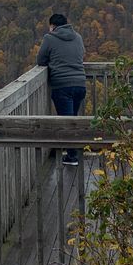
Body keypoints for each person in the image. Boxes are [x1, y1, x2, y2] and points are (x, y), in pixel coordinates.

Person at [36, 13, 86, 166]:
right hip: (80, 84)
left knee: (67, 122)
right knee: (73, 119)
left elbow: (41, 60)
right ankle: (74, 152)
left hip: (62, 85)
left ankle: (72, 157)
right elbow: (82, 55)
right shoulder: (77, 37)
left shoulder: (49, 38)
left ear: (52, 26)